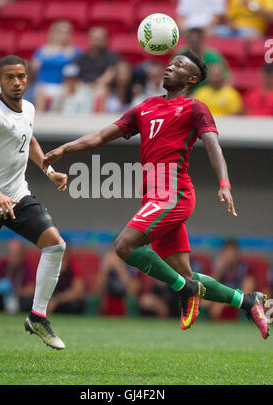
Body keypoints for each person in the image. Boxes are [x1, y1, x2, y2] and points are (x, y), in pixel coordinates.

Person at [44, 49, 269, 339]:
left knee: (124, 246)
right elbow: (100, 136)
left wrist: (224, 183)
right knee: (186, 275)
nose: (168, 67)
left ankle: (185, 291)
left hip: (173, 192)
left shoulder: (195, 108)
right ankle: (248, 301)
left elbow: (214, 147)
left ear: (190, 78)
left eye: (178, 65)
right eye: (170, 62)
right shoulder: (145, 107)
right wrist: (65, 148)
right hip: (153, 197)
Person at [0, 55, 68, 350]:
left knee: (55, 245)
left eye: (21, 77)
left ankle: (37, 317)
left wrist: (49, 170)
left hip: (17, 197)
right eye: (10, 77)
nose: (16, 82)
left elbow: (28, 139)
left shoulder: (28, 107)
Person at [32, 21, 82, 112]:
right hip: (43, 85)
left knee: (67, 92)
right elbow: (34, 67)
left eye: (67, 33)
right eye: (61, 32)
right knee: (40, 90)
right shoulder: (42, 50)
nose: (64, 35)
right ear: (53, 33)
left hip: (64, 86)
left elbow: (78, 71)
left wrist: (48, 60)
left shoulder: (75, 51)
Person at [0, 239, 35, 314]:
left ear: (23, 254)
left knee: (31, 301)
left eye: (16, 254)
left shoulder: (29, 265)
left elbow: (33, 288)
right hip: (2, 297)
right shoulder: (1, 264)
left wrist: (15, 290)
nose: (13, 257)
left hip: (20, 298)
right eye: (11, 253)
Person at [47, 246, 86, 315]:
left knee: (75, 305)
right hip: (50, 298)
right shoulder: (48, 265)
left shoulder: (74, 266)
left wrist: (56, 300)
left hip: (66, 301)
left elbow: (77, 292)